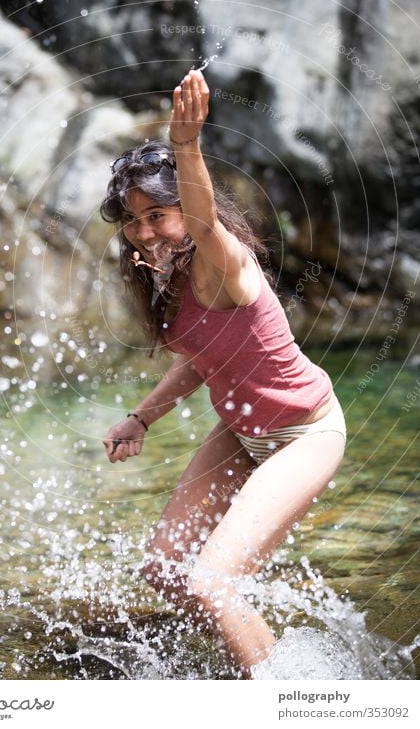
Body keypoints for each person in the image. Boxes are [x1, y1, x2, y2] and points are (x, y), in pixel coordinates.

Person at [100, 68, 347, 678]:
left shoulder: (223, 265)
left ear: (188, 209)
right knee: (165, 567)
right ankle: (244, 659)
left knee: (212, 580)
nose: (144, 231)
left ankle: (293, 697)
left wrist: (186, 145)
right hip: (241, 433)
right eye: (133, 221)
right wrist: (140, 418)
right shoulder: (172, 282)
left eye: (159, 214)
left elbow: (207, 225)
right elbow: (200, 362)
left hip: (304, 433)